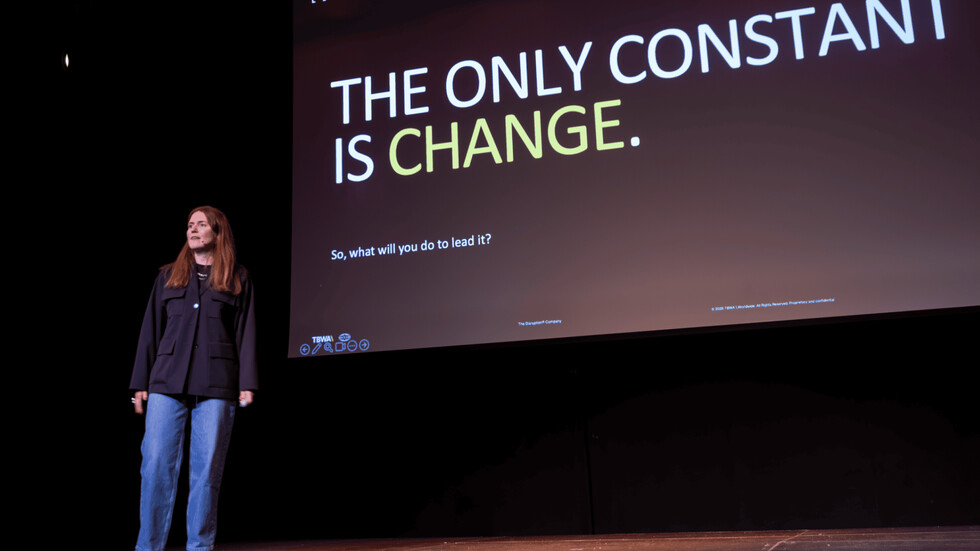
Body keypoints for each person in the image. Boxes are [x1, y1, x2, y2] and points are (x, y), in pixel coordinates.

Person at [130, 206, 257, 551]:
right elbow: (150, 330)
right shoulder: (168, 275)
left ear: (218, 232)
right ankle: (148, 546)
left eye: (201, 224)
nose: (193, 229)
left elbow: (246, 332)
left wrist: (247, 381)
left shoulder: (237, 277)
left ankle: (199, 547)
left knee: (206, 472)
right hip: (166, 382)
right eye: (190, 225)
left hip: (217, 383)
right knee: (155, 464)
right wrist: (139, 383)